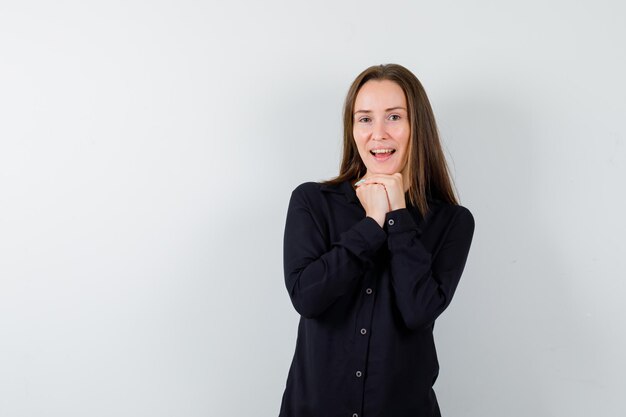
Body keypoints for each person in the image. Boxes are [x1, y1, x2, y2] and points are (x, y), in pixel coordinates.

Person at [278, 63, 475, 417]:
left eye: (394, 117)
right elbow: (307, 297)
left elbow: (418, 311)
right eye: (365, 119)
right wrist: (372, 223)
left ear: (418, 127)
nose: (378, 133)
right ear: (352, 129)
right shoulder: (312, 202)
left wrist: (398, 215)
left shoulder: (452, 222)